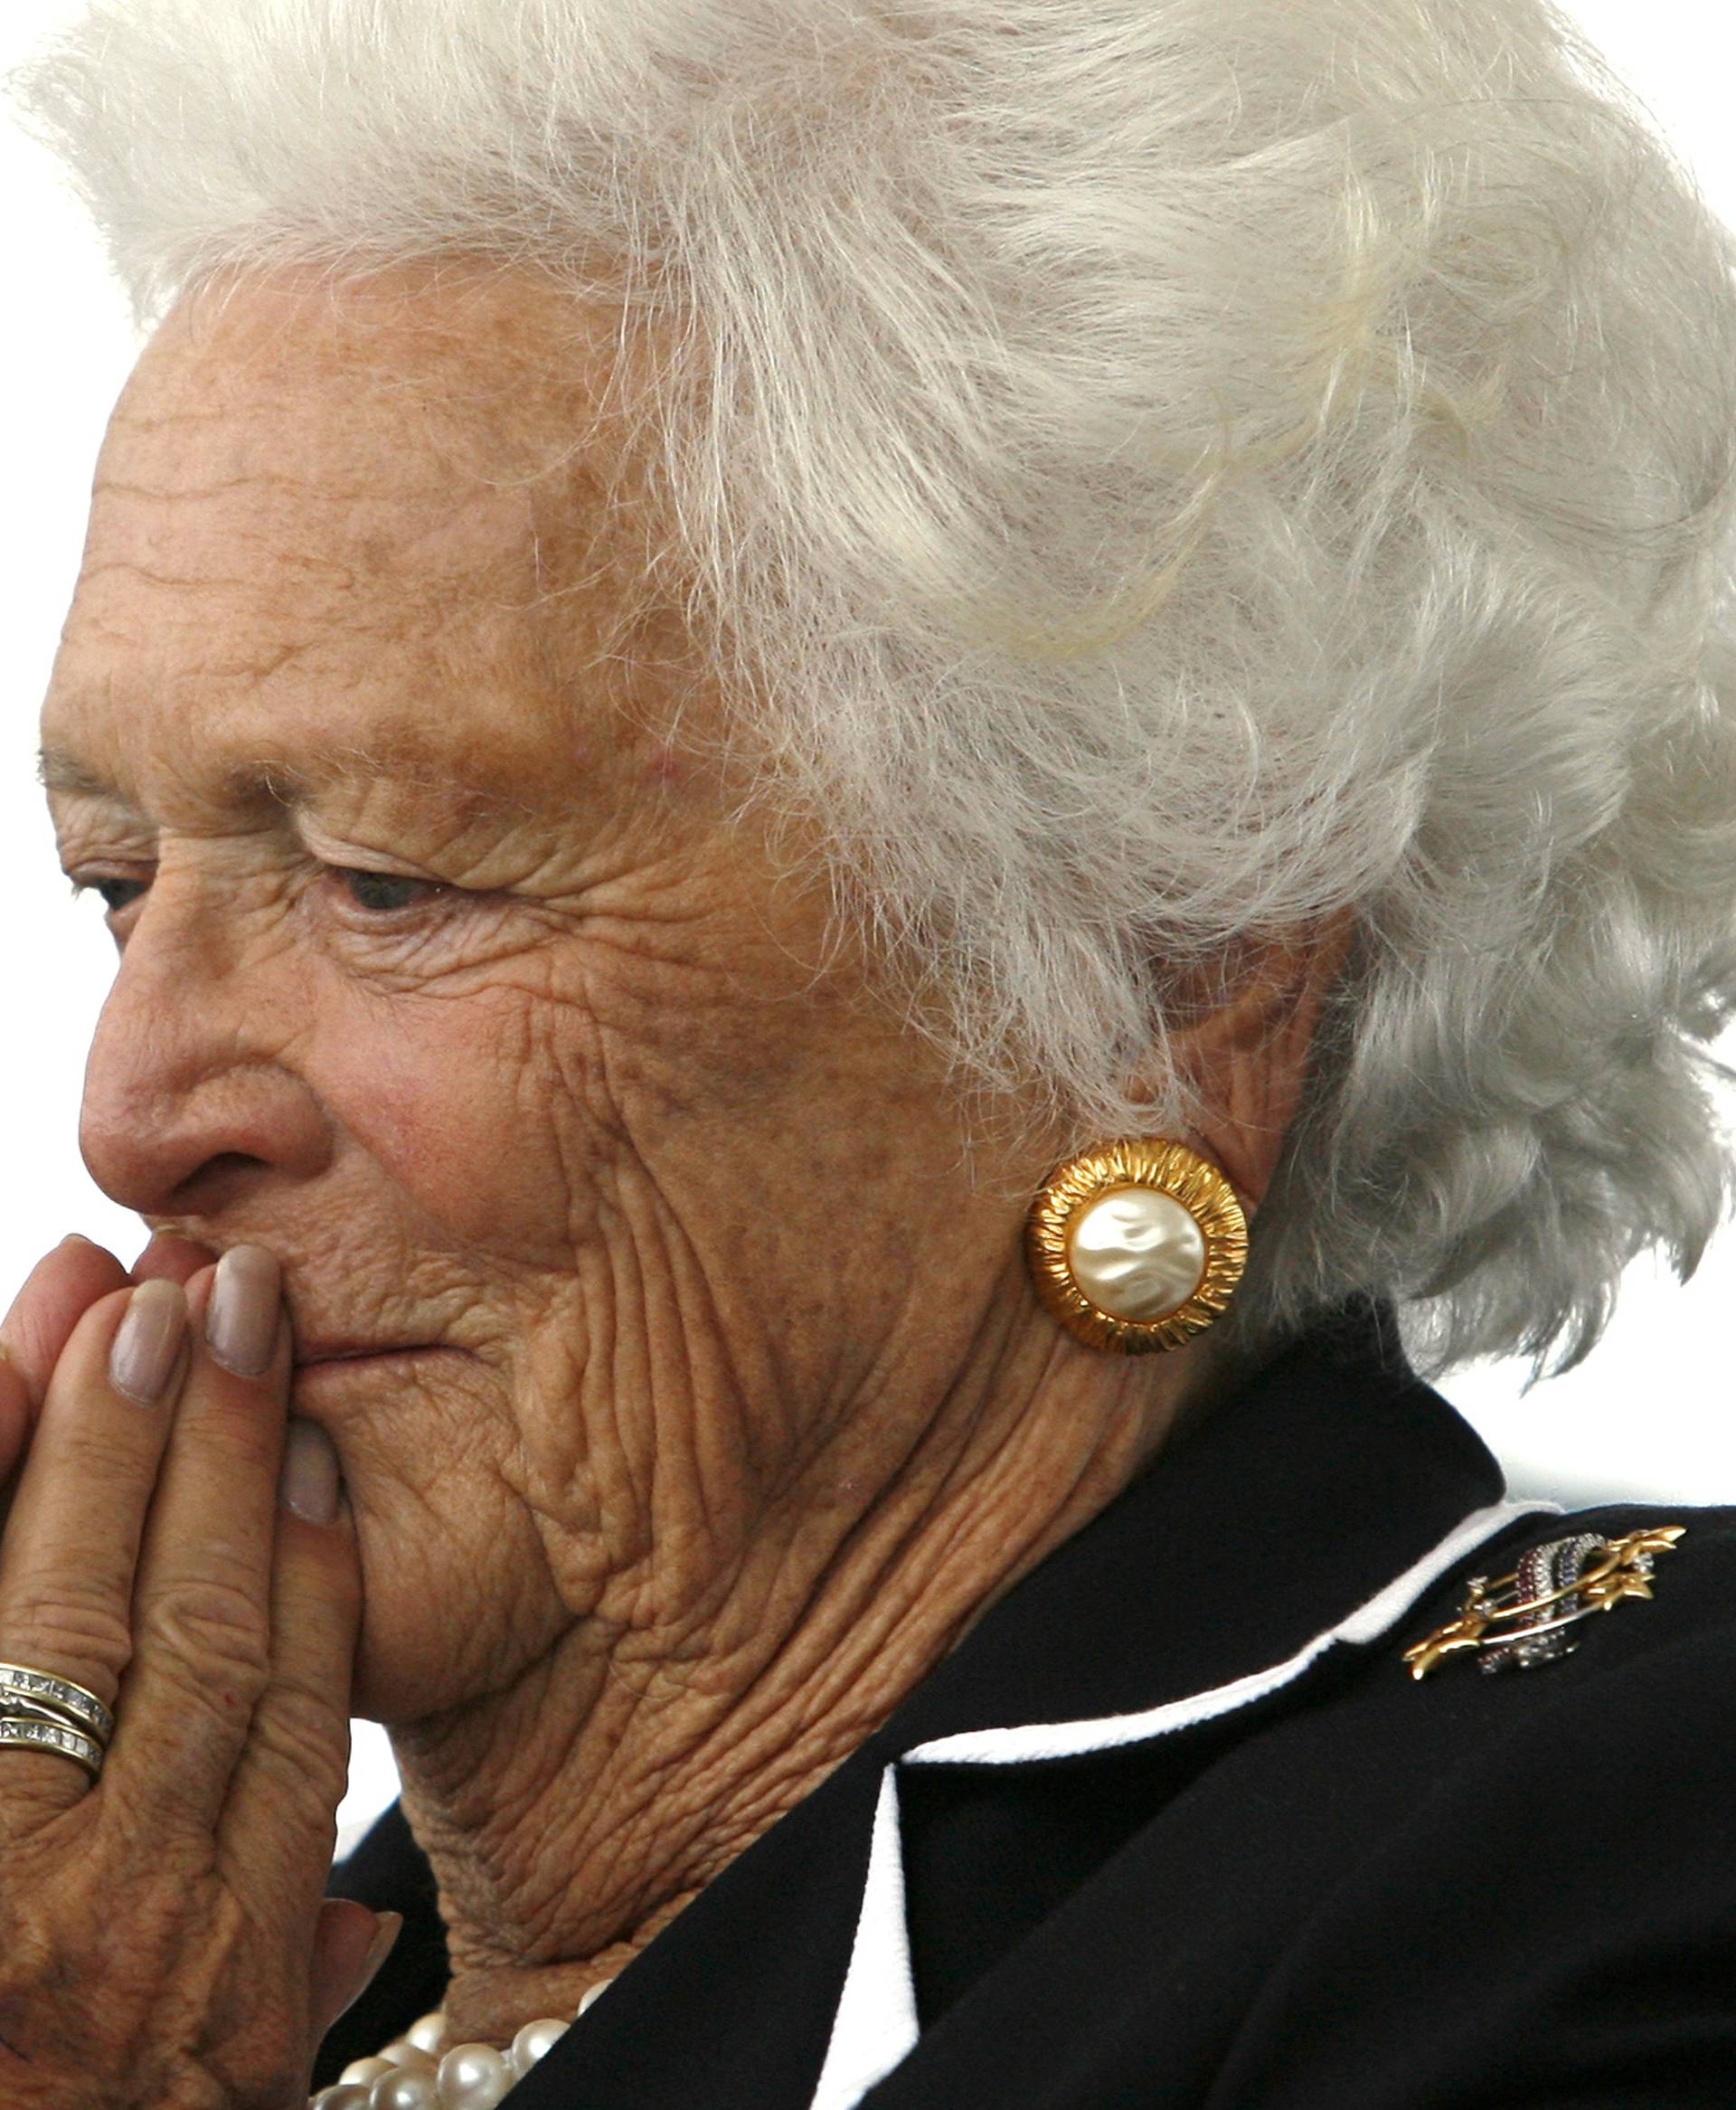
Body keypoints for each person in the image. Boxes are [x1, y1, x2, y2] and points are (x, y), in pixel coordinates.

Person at [4, 0, 1735, 2102]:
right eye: (119, 880)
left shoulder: (1624, 1852)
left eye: (384, 880)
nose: (131, 1113)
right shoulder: (167, 1975)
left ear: (1162, 971)